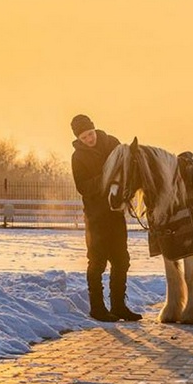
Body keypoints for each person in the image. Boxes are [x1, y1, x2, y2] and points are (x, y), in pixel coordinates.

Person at [70, 114, 142, 322]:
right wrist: (106, 178)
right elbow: (82, 187)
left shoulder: (112, 143)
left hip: (115, 213)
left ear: (95, 130)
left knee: (121, 260)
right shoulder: (78, 157)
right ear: (79, 139)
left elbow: (126, 166)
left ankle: (119, 306)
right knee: (97, 262)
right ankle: (98, 308)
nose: (89, 140)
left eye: (90, 134)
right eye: (84, 138)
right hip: (95, 217)